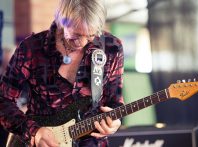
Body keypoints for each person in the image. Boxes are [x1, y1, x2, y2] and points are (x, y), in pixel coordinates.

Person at [0, 0, 124, 146]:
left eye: (90, 35)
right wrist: (34, 131)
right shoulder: (32, 48)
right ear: (61, 20)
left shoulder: (111, 48)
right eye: (76, 35)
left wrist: (115, 121)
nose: (83, 43)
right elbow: (3, 101)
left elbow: (114, 100)